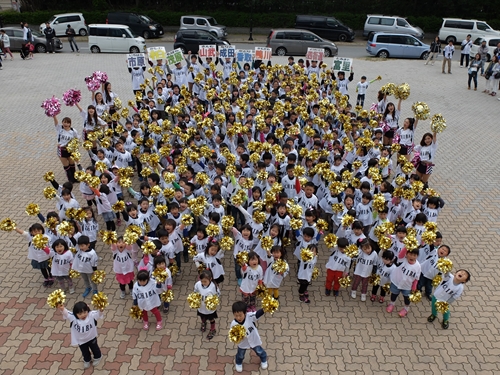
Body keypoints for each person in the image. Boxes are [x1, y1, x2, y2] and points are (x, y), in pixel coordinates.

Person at [58, 302, 104, 369]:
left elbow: (98, 314)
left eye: (85, 312)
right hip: (81, 340)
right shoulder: (73, 318)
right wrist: (62, 308)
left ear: (87, 310)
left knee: (95, 348)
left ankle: (98, 357)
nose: (83, 315)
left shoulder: (91, 315)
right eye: (80, 314)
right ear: (75, 314)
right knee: (84, 351)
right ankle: (87, 360)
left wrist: (101, 309)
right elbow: (67, 313)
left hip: (91, 338)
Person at [230, 301, 268, 373]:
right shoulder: (233, 323)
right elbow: (232, 334)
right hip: (242, 343)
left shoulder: (250, 316)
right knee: (240, 354)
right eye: (236, 315)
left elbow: (257, 314)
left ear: (245, 313)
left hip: (253, 340)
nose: (238, 317)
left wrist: (264, 309)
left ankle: (263, 358)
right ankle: (238, 362)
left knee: (259, 351)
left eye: (240, 315)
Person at [387, 247, 421, 317]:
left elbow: (417, 278)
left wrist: (414, 286)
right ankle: (392, 303)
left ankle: (406, 308)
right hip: (396, 282)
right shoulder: (403, 259)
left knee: (406, 298)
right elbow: (400, 255)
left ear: (417, 256)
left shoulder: (418, 266)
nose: (412, 257)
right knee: (394, 294)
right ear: (407, 254)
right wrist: (406, 246)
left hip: (407, 286)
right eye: (410, 254)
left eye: (414, 255)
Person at [194, 269, 220, 340]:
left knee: (211, 319)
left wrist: (213, 301)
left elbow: (217, 295)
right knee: (202, 316)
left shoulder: (213, 287)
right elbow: (195, 291)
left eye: (205, 281)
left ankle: (213, 329)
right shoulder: (198, 284)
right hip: (201, 306)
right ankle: (203, 323)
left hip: (209, 309)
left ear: (210, 279)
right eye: (202, 281)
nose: (203, 283)